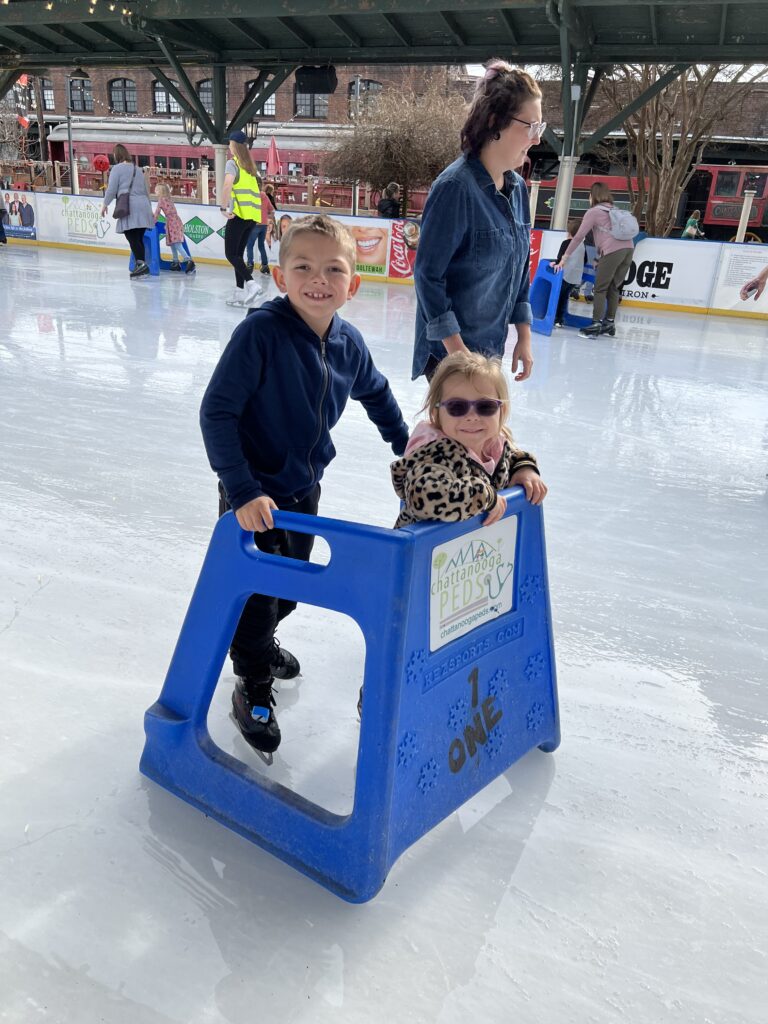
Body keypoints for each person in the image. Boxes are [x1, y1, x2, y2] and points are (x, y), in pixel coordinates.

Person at [199, 215, 409, 759]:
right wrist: (242, 491)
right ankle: (252, 682)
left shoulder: (348, 343)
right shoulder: (261, 335)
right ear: (280, 276)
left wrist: (405, 444)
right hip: (253, 494)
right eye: (303, 267)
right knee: (255, 596)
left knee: (289, 589)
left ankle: (262, 645)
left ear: (352, 284)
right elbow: (217, 413)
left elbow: (376, 392)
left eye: (333, 269)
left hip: (303, 490)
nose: (319, 279)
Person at [412, 59, 544, 382]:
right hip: (450, 356)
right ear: (495, 122)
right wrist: (458, 354)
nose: (537, 140)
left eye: (540, 128)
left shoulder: (517, 190)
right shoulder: (455, 188)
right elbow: (428, 276)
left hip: (489, 349)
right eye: (531, 127)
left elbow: (519, 268)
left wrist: (524, 334)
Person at [391, 350, 546, 529]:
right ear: (436, 413)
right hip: (427, 546)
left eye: (485, 406)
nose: (472, 417)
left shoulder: (494, 443)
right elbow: (426, 498)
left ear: (501, 411)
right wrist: (484, 495)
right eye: (457, 407)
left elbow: (513, 456)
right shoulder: (435, 454)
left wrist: (524, 469)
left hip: (480, 543)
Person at [553, 182, 635, 338]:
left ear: (593, 196)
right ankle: (609, 323)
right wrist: (598, 258)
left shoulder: (593, 212)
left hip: (613, 251)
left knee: (600, 288)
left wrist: (565, 257)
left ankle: (596, 323)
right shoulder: (614, 210)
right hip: (628, 249)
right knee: (613, 287)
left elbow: (578, 236)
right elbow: (603, 237)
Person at [219, 131, 264, 307]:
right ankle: (239, 293)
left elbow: (227, 185)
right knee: (238, 255)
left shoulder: (233, 163)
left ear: (234, 145)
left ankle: (251, 284)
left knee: (230, 254)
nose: (229, 146)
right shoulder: (251, 167)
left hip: (239, 215)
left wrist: (223, 207)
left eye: (230, 143)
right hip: (252, 217)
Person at [101, 144, 154, 279]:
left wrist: (105, 204)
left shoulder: (117, 169)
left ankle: (142, 265)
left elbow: (112, 189)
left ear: (117, 155)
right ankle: (141, 265)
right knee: (138, 238)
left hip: (130, 206)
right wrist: (150, 210)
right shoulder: (138, 169)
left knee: (131, 237)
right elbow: (146, 190)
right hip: (143, 206)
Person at [154, 183, 195, 273]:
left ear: (160, 191)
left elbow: (157, 213)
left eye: (156, 190)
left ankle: (188, 260)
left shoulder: (161, 200)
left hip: (172, 222)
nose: (155, 191)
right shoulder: (169, 199)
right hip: (176, 220)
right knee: (173, 242)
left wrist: (153, 222)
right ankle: (176, 262)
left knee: (176, 243)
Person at [553, 218, 585, 327]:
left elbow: (560, 257)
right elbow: (584, 260)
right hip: (575, 278)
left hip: (565, 276)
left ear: (569, 231)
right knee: (565, 297)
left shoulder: (566, 243)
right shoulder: (582, 245)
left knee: (558, 297)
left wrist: (555, 263)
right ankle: (560, 319)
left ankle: (555, 318)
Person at [245, 182, 275, 276]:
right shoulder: (265, 196)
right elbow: (272, 210)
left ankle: (250, 265)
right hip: (264, 225)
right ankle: (265, 265)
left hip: (255, 224)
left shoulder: (251, 196)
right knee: (261, 245)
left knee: (250, 245)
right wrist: (266, 217)